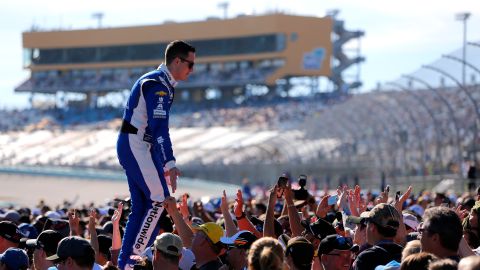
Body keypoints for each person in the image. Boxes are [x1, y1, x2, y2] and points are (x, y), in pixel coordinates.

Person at [116, 40, 196, 269]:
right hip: (136, 145)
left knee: (141, 206)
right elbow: (159, 128)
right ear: (177, 61)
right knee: (160, 201)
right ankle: (132, 262)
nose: (192, 70)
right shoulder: (158, 84)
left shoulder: (161, 82)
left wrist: (161, 163)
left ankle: (125, 263)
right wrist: (169, 163)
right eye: (190, 65)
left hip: (137, 145)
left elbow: (155, 130)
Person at [352, 203, 403, 270]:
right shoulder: (407, 254)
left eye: (367, 222)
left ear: (372, 227)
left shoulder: (366, 258)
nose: (366, 226)